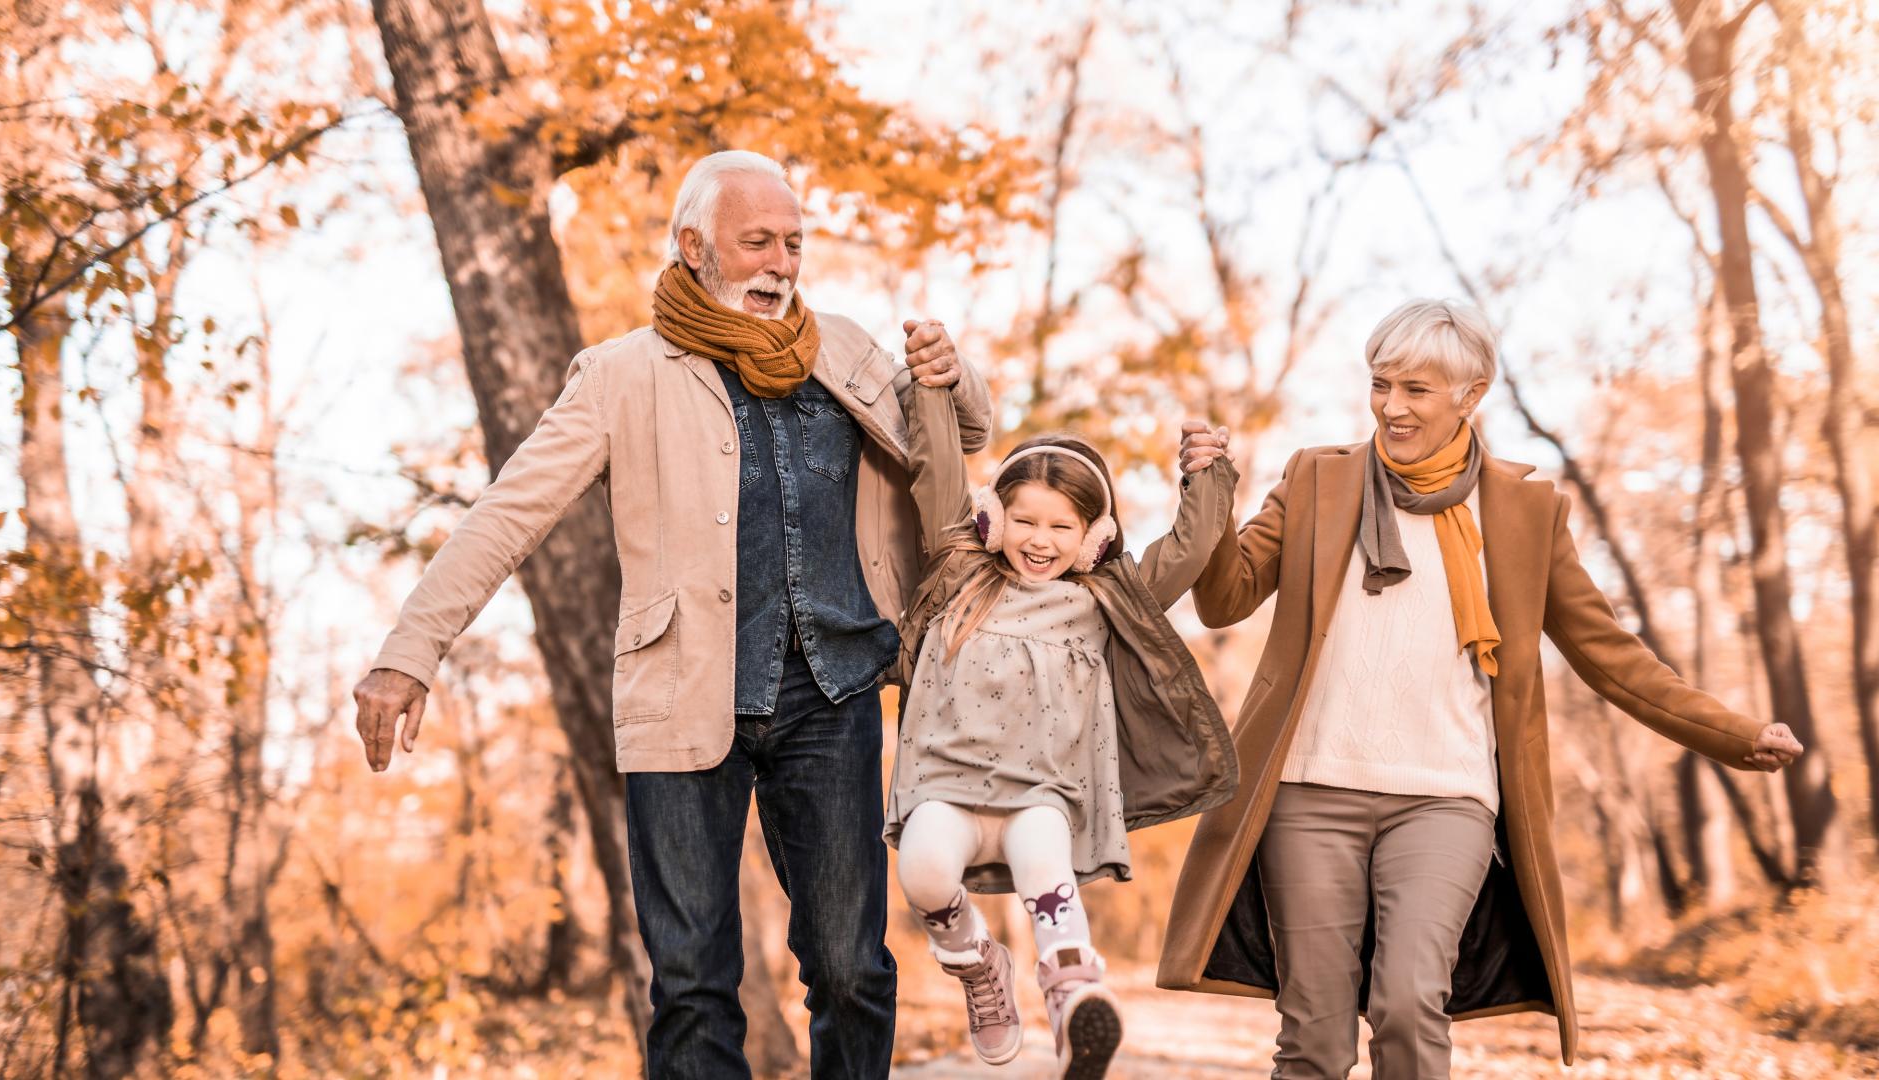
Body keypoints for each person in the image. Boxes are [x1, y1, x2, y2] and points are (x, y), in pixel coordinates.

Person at [350, 150, 995, 1080]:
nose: (781, 262)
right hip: (685, 696)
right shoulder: (622, 375)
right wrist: (410, 653)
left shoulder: (845, 348)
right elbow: (508, 513)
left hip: (835, 692)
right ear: (695, 247)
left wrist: (954, 374)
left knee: (854, 971)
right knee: (692, 984)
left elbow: (960, 434)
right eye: (758, 241)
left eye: (793, 244)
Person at [1154, 298, 1804, 1079]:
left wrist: (1731, 732)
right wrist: (1208, 496)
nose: (1391, 407)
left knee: (1407, 1003)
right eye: (1380, 384)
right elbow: (1225, 599)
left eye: (1416, 390)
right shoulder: (1317, 480)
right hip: (1307, 790)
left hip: (1446, 798)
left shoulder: (1525, 512)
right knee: (1316, 1037)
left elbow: (1610, 655)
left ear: (1472, 393)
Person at [883, 381, 1242, 1078]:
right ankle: (981, 967)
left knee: (1048, 870)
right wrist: (930, 384)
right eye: (1025, 521)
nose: (1039, 541)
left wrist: (1208, 473)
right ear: (991, 519)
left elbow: (1187, 551)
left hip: (1039, 795)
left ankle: (1075, 999)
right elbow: (936, 476)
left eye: (1061, 528)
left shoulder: (1102, 600)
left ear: (1093, 539)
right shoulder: (959, 573)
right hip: (944, 789)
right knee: (923, 871)